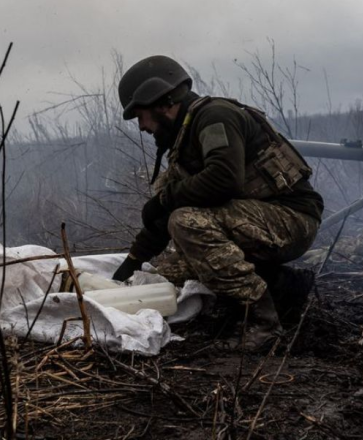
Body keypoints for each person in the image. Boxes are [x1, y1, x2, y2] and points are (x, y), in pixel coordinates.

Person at [112, 55, 324, 349]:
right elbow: (161, 220)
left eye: (140, 115)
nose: (142, 126)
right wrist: (130, 265)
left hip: (291, 219)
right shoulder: (184, 137)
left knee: (185, 223)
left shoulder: (215, 117)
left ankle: (264, 321)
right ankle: (282, 287)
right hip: (257, 222)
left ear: (160, 100)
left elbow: (224, 179)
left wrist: (165, 200)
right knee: (168, 275)